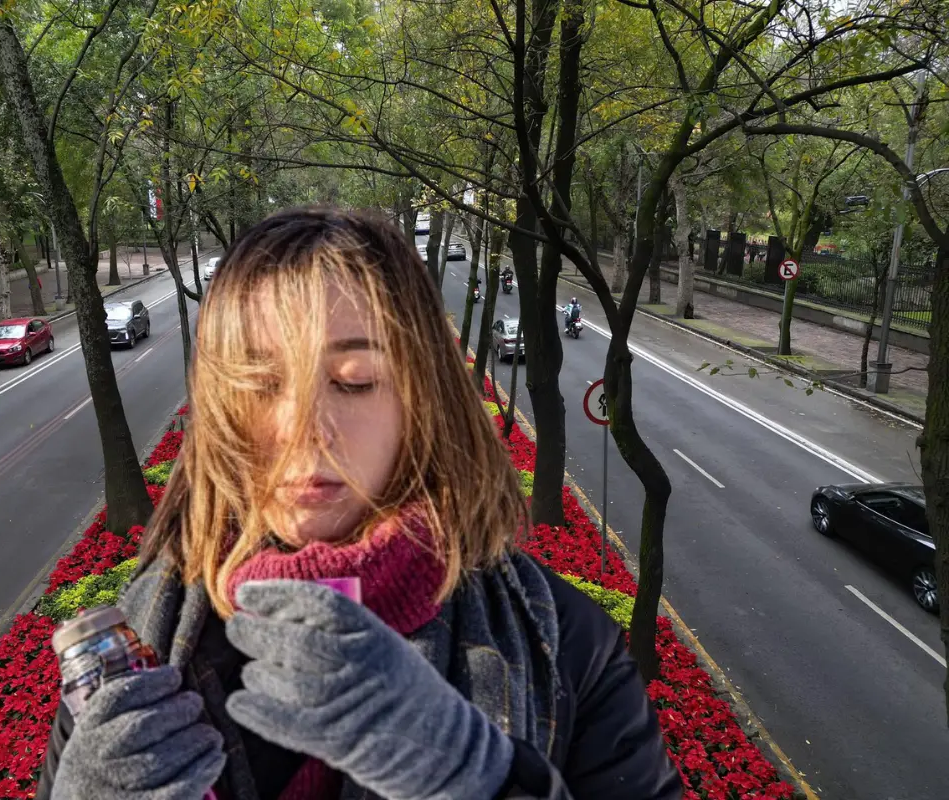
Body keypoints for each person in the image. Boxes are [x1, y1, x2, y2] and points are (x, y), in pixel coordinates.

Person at [37, 208, 681, 800]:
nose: (302, 428)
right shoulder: (128, 670)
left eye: (355, 382)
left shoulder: (569, 650)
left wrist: (476, 775)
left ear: (420, 398)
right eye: (260, 384)